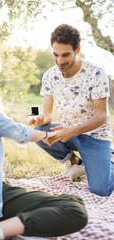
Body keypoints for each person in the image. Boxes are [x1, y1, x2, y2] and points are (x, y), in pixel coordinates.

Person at [0, 44, 88, 240]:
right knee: (74, 207)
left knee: (46, 211)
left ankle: (7, 229)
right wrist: (46, 135)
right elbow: (20, 133)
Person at [29, 24, 114, 197]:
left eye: (66, 55)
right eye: (55, 54)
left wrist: (72, 131)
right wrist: (39, 119)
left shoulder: (96, 73)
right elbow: (47, 114)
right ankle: (75, 163)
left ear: (77, 50)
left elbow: (101, 116)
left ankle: (110, 159)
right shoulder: (50, 75)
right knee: (38, 132)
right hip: (69, 132)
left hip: (95, 137)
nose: (60, 61)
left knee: (100, 190)